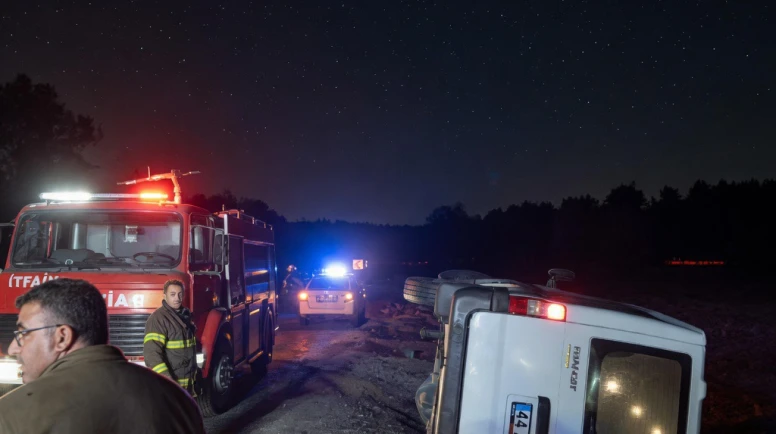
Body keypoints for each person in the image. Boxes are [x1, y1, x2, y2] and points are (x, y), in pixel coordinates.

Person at [0, 278, 204, 434]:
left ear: (62, 337)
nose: (12, 348)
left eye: (24, 333)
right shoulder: (179, 401)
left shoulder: (13, 413)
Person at [144, 279, 198, 395]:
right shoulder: (158, 319)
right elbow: (151, 356)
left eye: (180, 294)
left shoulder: (185, 316)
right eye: (172, 294)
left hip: (186, 388)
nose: (177, 298)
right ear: (165, 296)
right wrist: (169, 383)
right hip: (170, 389)